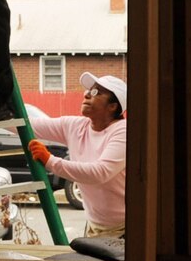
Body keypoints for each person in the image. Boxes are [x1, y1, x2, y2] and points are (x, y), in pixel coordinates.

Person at [28, 72, 126, 238]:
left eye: (97, 93)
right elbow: (31, 125)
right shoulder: (75, 126)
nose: (87, 94)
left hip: (124, 229)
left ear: (113, 106)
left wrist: (50, 161)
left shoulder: (122, 131)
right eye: (88, 90)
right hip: (94, 226)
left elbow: (100, 172)